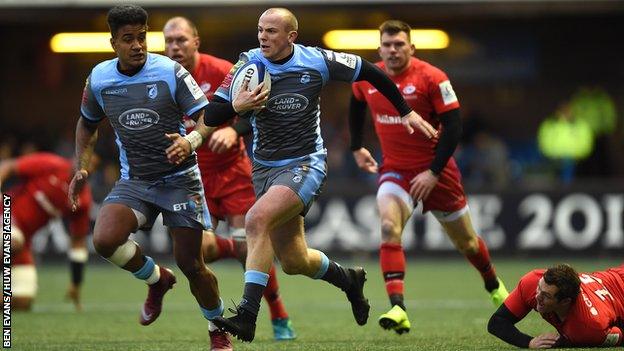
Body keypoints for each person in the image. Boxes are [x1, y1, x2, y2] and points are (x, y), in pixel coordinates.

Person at [195, 8, 438, 342]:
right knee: (294, 260)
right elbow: (213, 111)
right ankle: (349, 280)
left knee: (255, 220)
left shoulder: (317, 61)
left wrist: (406, 111)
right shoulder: (248, 65)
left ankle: (247, 316)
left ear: (291, 36)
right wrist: (240, 106)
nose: (263, 37)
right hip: (264, 167)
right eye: (260, 30)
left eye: (271, 31)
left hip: (305, 163)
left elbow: (371, 72)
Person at [69, 5, 226, 348]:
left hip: (181, 178)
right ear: (113, 43)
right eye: (128, 39)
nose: (138, 45)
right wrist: (82, 164)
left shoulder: (169, 71)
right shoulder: (99, 79)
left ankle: (217, 329)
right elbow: (87, 122)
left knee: (192, 264)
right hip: (136, 180)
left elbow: (209, 115)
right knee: (105, 240)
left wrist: (191, 140)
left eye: (142, 37)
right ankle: (157, 279)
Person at [348, 20, 509, 335]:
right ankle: (398, 307)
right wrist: (356, 147)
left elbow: (454, 128)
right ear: (379, 48)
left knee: (467, 243)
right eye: (387, 45)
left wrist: (433, 172)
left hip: (437, 171)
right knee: (387, 227)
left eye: (399, 45)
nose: (393, 50)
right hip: (395, 169)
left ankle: (492, 284)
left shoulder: (432, 78)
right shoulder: (368, 78)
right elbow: (356, 105)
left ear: (412, 47)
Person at [162, 16, 296, 342]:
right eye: (169, 41)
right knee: (202, 252)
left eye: (181, 39)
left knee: (252, 243)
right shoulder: (161, 79)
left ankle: (279, 315)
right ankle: (237, 249)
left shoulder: (227, 70)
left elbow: (259, 111)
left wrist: (233, 131)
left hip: (233, 172)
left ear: (196, 41)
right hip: (193, 176)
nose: (175, 46)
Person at [0, 152, 92, 311]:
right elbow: (9, 166)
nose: (86, 166)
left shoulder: (82, 200)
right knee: (12, 242)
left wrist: (76, 282)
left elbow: (78, 242)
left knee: (22, 302)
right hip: (5, 215)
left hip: (24, 241)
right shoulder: (51, 164)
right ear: (75, 157)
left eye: (91, 164)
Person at [488, 264, 624, 348]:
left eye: (546, 296)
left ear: (565, 301)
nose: (537, 296)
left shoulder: (589, 326)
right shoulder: (532, 282)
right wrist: (529, 342)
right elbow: (497, 322)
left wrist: (568, 341)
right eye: (539, 288)